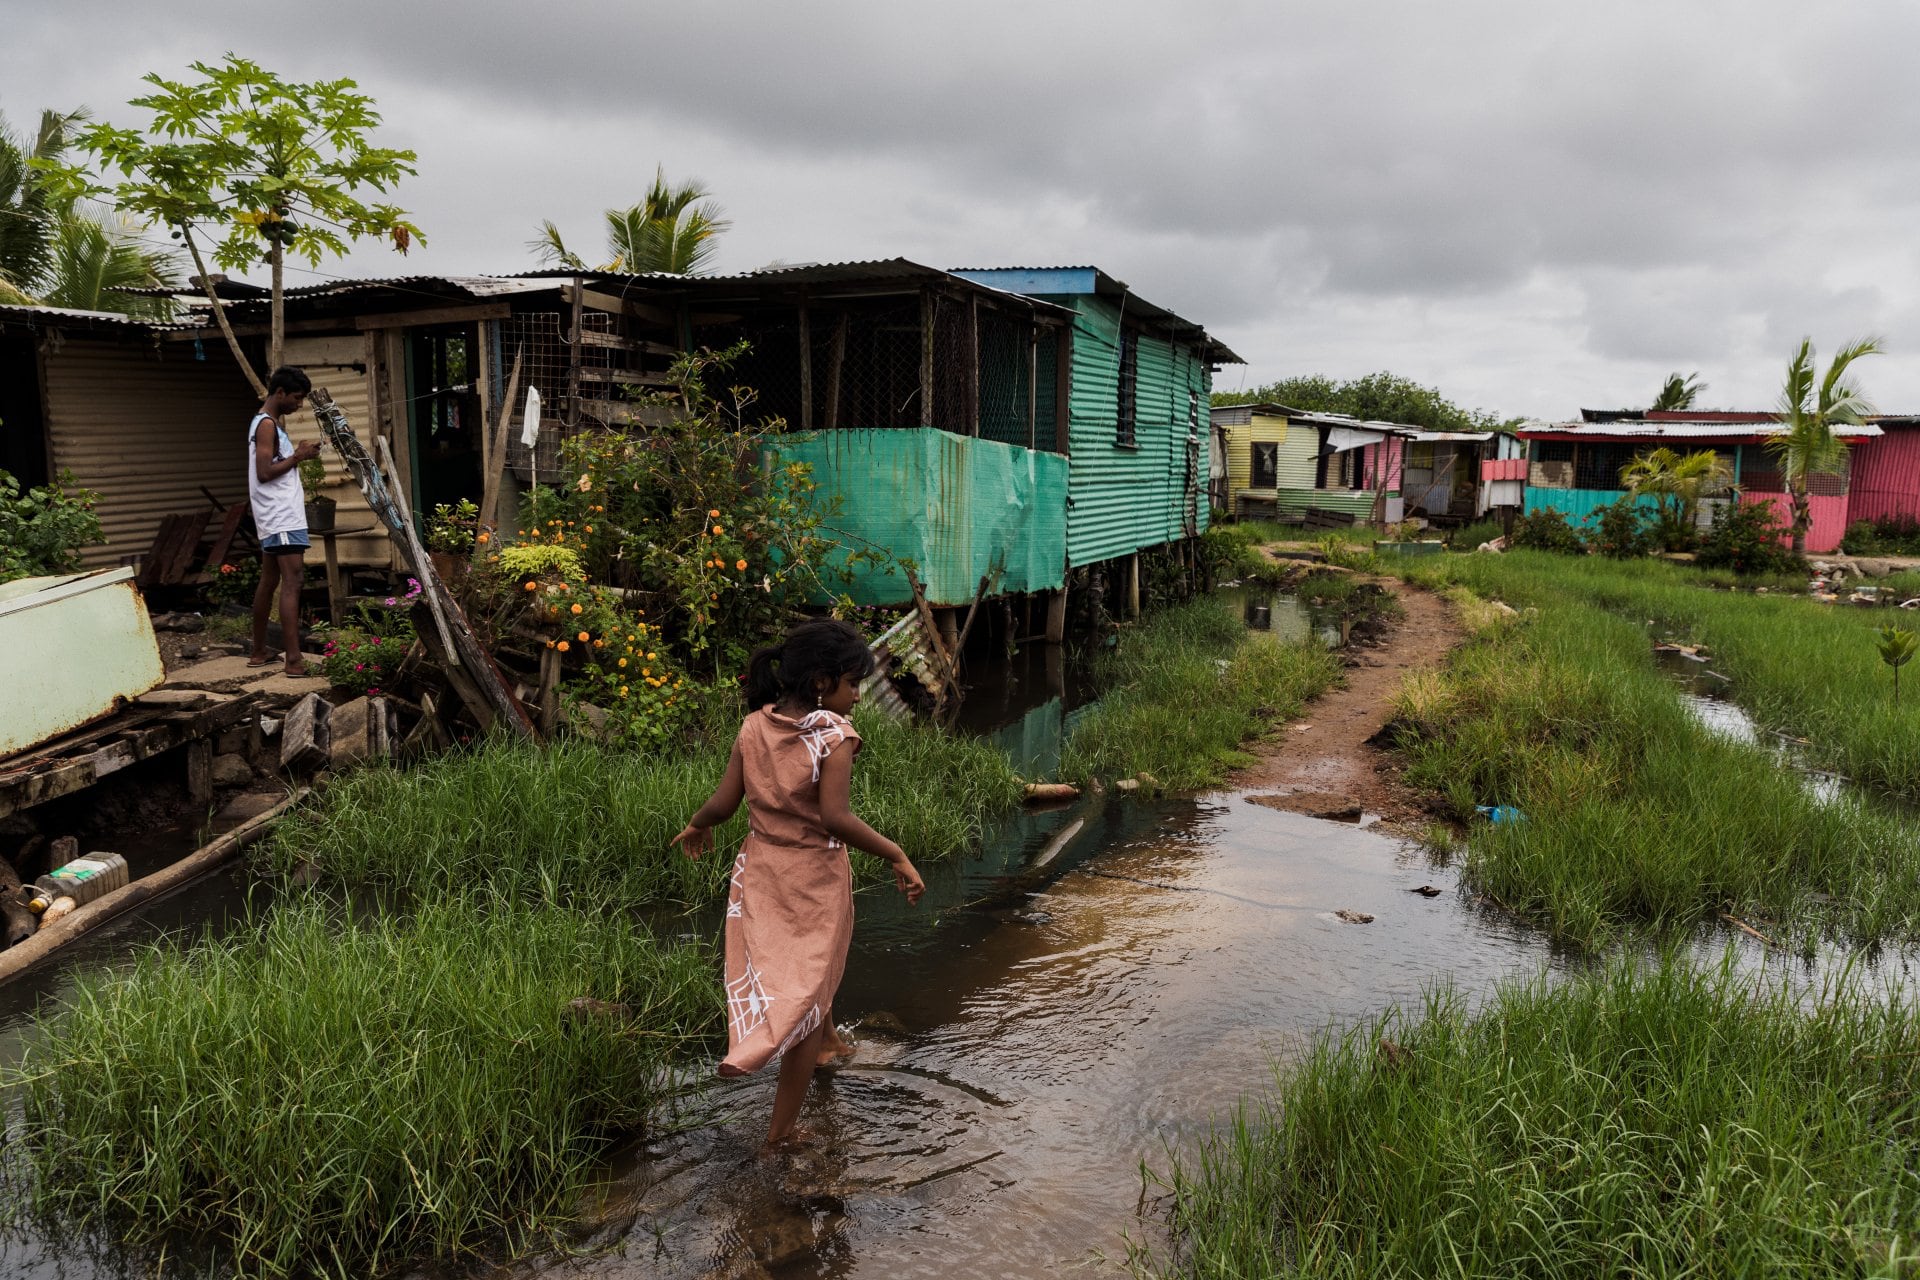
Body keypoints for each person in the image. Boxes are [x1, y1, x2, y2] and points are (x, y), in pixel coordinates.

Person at [673, 618, 925, 1151]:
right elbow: (835, 818)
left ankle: (831, 1041)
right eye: (853, 684)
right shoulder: (834, 736)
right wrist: (896, 853)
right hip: (813, 878)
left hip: (761, 870)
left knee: (806, 970)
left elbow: (724, 804)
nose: (858, 696)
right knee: (805, 999)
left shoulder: (753, 727)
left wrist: (698, 823)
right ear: (820, 683)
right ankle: (780, 1132)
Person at [246, 366, 320, 676]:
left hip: (274, 516)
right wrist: (298, 457)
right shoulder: (266, 426)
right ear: (280, 393)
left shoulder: (268, 424)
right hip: (281, 517)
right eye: (297, 398)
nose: (299, 404)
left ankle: (259, 650)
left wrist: (297, 455)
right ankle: (293, 660)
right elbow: (264, 473)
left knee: (270, 580)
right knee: (294, 581)